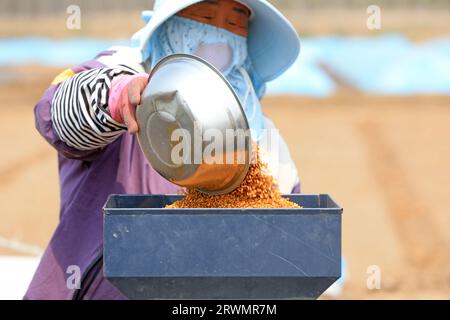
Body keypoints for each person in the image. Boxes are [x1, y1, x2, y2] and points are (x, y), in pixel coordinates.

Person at [26, 0, 301, 300]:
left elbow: (287, 244)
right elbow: (55, 113)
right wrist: (120, 100)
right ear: (167, 22)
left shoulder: (261, 135)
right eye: (206, 16)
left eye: (235, 24)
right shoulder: (125, 73)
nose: (219, 35)